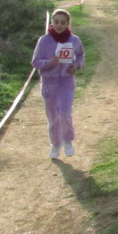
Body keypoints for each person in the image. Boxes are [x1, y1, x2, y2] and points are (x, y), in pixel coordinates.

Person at [31, 9, 85, 160]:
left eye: (63, 23)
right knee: (53, 116)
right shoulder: (44, 40)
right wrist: (49, 63)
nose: (59, 25)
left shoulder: (74, 40)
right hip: (49, 83)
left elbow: (80, 55)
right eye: (56, 22)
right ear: (51, 23)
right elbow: (35, 62)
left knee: (65, 112)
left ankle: (67, 140)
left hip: (66, 81)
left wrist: (77, 65)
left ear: (68, 24)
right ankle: (55, 144)